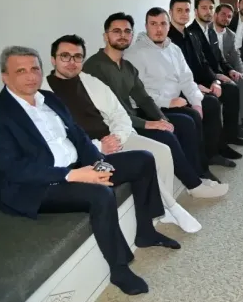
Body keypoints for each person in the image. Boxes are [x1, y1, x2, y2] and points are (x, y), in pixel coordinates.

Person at [0, 46, 181, 296]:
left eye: (34, 69)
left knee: (143, 160)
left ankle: (146, 232)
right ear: (5, 76)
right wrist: (73, 175)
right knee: (99, 194)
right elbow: (13, 169)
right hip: (36, 186)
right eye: (20, 71)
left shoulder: (49, 99)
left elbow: (79, 137)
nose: (30, 76)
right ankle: (119, 268)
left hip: (78, 169)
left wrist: (97, 164)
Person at [46, 35, 229, 228]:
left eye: (77, 57)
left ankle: (166, 207)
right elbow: (58, 138)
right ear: (53, 59)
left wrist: (117, 136)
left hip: (116, 136)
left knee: (162, 150)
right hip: (90, 149)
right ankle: (170, 207)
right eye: (65, 56)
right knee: (145, 159)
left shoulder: (90, 81)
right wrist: (99, 146)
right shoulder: (43, 93)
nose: (72, 62)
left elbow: (119, 113)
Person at [84, 12, 221, 182]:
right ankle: (195, 182)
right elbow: (112, 113)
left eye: (127, 31)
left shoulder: (126, 66)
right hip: (112, 128)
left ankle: (199, 172)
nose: (122, 35)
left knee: (181, 121)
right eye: (116, 31)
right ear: (106, 36)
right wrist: (149, 123)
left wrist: (162, 119)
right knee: (174, 131)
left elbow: (144, 98)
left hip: (130, 120)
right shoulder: (95, 67)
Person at [125, 7, 237, 168]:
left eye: (163, 24)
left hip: (176, 100)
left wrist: (196, 101)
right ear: (146, 26)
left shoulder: (174, 49)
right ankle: (199, 167)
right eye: (153, 24)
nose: (158, 29)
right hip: (152, 106)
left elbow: (186, 79)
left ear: (168, 26)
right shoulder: (135, 53)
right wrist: (168, 102)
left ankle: (213, 153)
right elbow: (138, 93)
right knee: (190, 118)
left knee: (210, 103)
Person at [174, 0, 243, 147]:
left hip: (208, 75)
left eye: (211, 8)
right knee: (217, 98)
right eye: (204, 8)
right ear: (196, 11)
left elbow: (213, 59)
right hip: (194, 81)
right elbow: (191, 66)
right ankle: (219, 144)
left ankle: (231, 134)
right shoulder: (191, 32)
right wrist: (213, 78)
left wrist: (224, 73)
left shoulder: (210, 31)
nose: (208, 11)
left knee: (233, 88)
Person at [207, 3, 243, 128]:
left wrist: (241, 72)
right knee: (233, 86)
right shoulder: (206, 31)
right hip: (209, 70)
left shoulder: (231, 35)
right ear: (215, 15)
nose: (226, 18)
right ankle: (235, 125)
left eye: (229, 16)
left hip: (225, 68)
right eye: (223, 14)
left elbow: (235, 55)